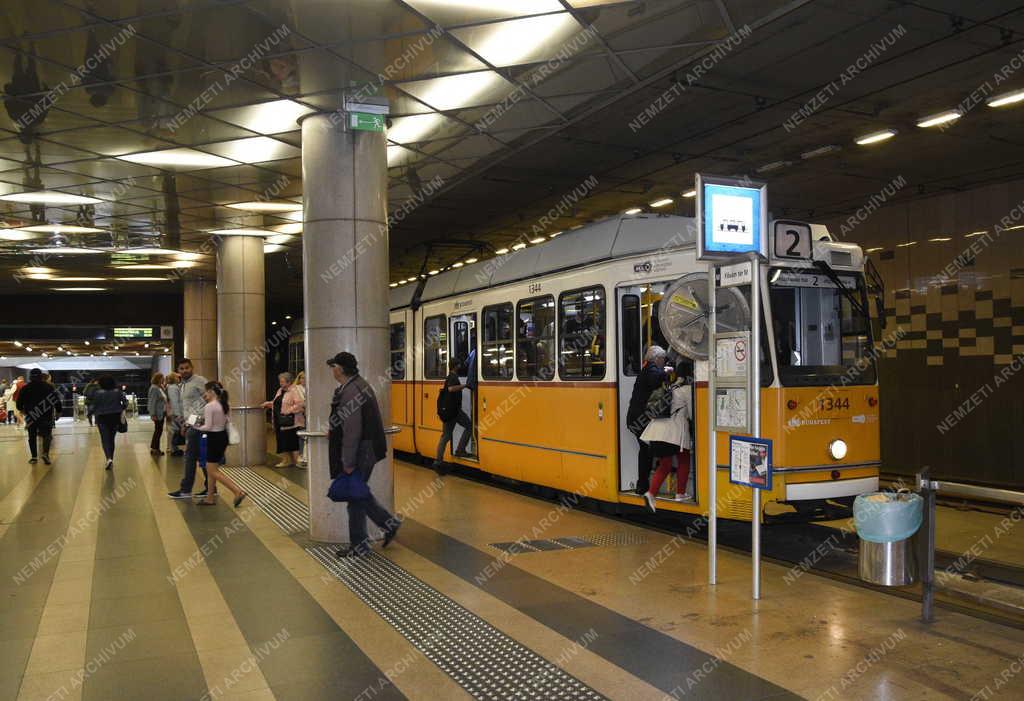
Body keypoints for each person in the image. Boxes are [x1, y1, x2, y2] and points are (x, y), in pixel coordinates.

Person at [327, 351, 397, 558]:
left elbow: (353, 430)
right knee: (357, 494)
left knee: (355, 496)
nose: (332, 370)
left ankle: (361, 544)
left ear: (339, 369)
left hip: (361, 451)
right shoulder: (358, 385)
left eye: (333, 367)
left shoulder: (351, 391)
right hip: (366, 448)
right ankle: (385, 526)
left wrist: (347, 461)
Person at [639, 360, 693, 512]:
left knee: (665, 465)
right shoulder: (688, 389)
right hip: (675, 432)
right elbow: (692, 413)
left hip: (657, 430)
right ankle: (680, 493)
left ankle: (651, 493)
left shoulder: (671, 386)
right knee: (684, 460)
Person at [195, 381, 247, 507]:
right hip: (223, 437)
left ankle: (237, 491)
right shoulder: (224, 404)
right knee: (212, 468)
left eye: (206, 391)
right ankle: (209, 498)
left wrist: (195, 426)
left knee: (212, 471)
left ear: (212, 392)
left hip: (214, 438)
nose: (204, 394)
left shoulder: (210, 406)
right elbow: (225, 421)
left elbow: (207, 426)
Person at [626, 345, 667, 495]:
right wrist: (668, 372)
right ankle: (643, 485)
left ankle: (643, 485)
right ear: (657, 359)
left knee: (646, 450)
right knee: (647, 450)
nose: (664, 362)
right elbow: (656, 379)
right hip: (640, 419)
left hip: (636, 418)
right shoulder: (651, 369)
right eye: (663, 359)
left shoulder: (646, 369)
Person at [167, 359, 209, 499]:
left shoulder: (200, 381)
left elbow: (209, 400)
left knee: (190, 457)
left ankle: (186, 489)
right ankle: (210, 487)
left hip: (200, 425)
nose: (184, 370)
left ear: (192, 367)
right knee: (200, 457)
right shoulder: (183, 385)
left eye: (187, 368)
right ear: (178, 371)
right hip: (191, 424)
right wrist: (185, 424)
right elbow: (188, 407)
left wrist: (193, 422)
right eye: (181, 368)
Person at [432, 358, 472, 474]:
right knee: (468, 426)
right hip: (453, 412)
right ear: (456, 366)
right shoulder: (452, 377)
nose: (460, 367)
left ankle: (439, 460)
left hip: (450, 411)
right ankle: (458, 451)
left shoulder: (450, 376)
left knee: (446, 436)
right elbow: (450, 389)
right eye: (459, 365)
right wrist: (464, 386)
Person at [15, 368, 60, 464]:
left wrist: (22, 410)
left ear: (30, 377)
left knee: (32, 436)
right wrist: (59, 411)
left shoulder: (25, 388)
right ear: (40, 376)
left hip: (31, 416)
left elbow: (19, 404)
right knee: (46, 435)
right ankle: (45, 454)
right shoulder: (48, 387)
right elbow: (56, 400)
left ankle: (34, 457)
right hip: (46, 415)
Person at [261, 371, 305, 468]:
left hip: (291, 421)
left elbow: (300, 404)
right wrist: (268, 404)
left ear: (289, 382)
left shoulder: (294, 391)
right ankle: (287, 460)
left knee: (291, 441)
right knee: (282, 440)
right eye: (280, 382)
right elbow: (277, 402)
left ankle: (294, 461)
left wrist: (288, 411)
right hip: (279, 420)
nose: (281, 384)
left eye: (283, 382)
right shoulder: (280, 390)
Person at [92, 375, 127, 470]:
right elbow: (125, 403)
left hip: (102, 418)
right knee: (111, 439)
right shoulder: (118, 392)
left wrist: (91, 414)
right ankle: (111, 458)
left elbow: (94, 406)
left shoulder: (97, 393)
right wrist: (120, 409)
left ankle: (108, 458)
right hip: (115, 417)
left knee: (105, 439)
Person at [148, 373, 168, 456]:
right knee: (158, 431)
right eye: (162, 378)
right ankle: (155, 449)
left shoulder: (159, 388)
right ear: (158, 379)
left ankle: (155, 448)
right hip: (157, 413)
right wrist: (152, 414)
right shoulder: (154, 388)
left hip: (161, 412)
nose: (163, 379)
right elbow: (152, 402)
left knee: (158, 431)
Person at [165, 372, 184, 454]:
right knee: (174, 431)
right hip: (175, 412)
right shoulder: (173, 388)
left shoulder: (172, 387)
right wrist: (178, 414)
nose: (179, 378)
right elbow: (174, 401)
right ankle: (173, 448)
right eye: (177, 377)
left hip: (173, 412)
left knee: (173, 431)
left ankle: (173, 448)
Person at [295, 371, 308, 466]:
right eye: (302, 378)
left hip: (309, 414)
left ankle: (307, 455)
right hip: (300, 414)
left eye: (305, 378)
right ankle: (301, 455)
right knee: (302, 434)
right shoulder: (296, 389)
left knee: (307, 435)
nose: (303, 380)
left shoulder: (310, 388)